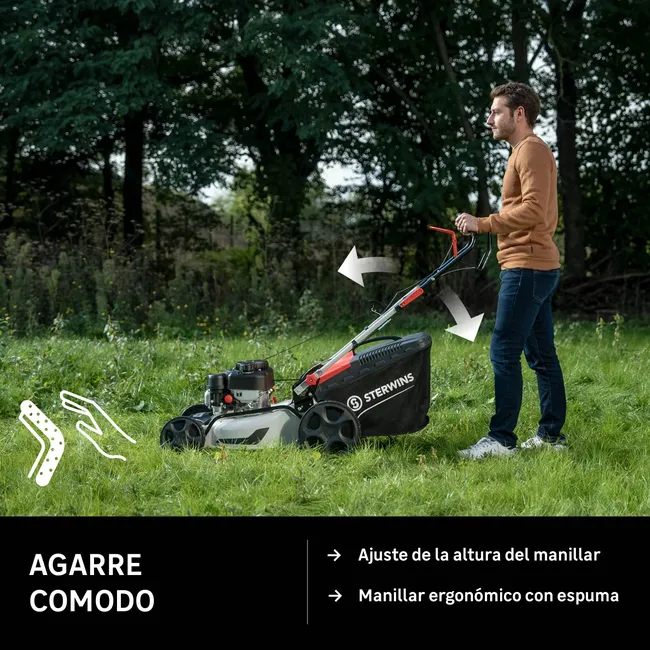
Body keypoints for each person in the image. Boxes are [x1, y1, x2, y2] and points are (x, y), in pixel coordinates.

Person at [455, 81, 567, 459]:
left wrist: (484, 223)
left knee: (504, 350)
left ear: (519, 114)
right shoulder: (523, 151)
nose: (489, 119)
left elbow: (533, 210)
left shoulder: (530, 149)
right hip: (534, 265)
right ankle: (551, 437)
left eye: (496, 112)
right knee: (541, 355)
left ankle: (501, 439)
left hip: (527, 266)